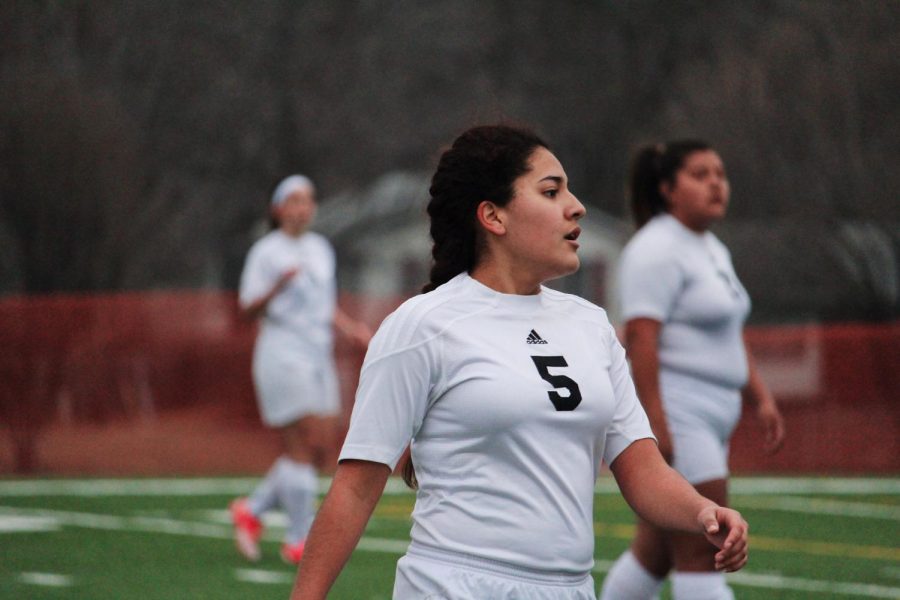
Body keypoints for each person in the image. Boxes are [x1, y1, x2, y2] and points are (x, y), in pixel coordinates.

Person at [289, 125, 749, 600]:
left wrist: (702, 512)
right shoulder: (423, 326)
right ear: (493, 216)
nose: (576, 206)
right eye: (551, 191)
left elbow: (642, 468)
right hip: (452, 587)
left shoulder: (591, 326)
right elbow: (356, 488)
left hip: (570, 590)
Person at [599, 141, 785, 600]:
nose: (716, 183)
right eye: (700, 174)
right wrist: (657, 423)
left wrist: (760, 396)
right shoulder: (656, 248)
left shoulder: (711, 247)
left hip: (712, 413)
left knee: (655, 553)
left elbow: (728, 330)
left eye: (720, 173)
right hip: (683, 413)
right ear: (667, 189)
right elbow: (642, 337)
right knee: (707, 546)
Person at [230, 174, 372, 565]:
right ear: (278, 210)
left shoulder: (321, 248)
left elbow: (323, 305)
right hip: (281, 353)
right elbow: (246, 310)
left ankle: (252, 510)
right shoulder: (266, 252)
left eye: (308, 199)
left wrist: (350, 328)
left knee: (321, 448)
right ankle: (299, 539)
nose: (302, 207)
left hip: (318, 354)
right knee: (302, 442)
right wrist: (276, 287)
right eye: (293, 200)